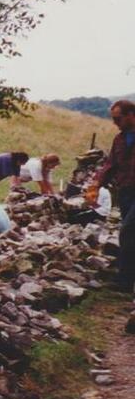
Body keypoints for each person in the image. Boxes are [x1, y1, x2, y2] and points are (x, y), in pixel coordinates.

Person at [84, 98, 135, 293]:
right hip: (126, 191)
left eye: (118, 118)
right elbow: (110, 165)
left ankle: (124, 280)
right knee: (130, 234)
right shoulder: (119, 139)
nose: (114, 123)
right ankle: (127, 279)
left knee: (127, 231)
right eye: (113, 119)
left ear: (131, 115)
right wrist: (96, 185)